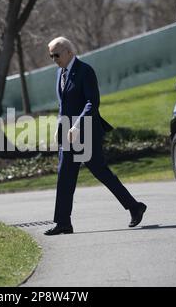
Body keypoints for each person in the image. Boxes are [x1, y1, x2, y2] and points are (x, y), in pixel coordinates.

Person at [44, 37, 147, 236]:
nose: (53, 59)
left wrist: (77, 126)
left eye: (56, 55)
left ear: (68, 52)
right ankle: (63, 222)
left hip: (87, 133)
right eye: (51, 56)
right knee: (64, 177)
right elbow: (64, 104)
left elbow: (92, 103)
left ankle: (134, 207)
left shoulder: (85, 71)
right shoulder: (59, 73)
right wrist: (60, 125)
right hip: (68, 134)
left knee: (102, 173)